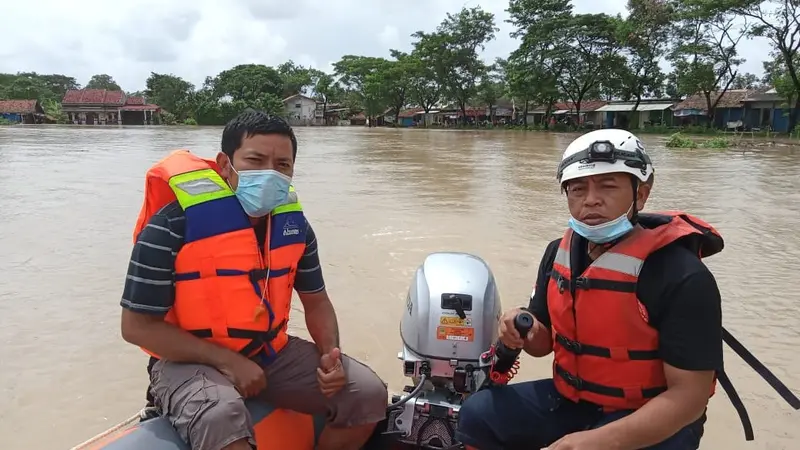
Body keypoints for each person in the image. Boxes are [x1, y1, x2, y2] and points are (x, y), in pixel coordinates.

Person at [455, 128, 799, 450]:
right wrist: (522, 327)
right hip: (573, 401)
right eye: (578, 189)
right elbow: (543, 346)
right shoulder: (557, 252)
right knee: (477, 415)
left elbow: (689, 399)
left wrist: (590, 443)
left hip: (656, 417)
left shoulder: (681, 275)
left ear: (642, 194)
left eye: (608, 186)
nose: (590, 200)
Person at [119, 112, 388, 450]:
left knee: (366, 393)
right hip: (186, 360)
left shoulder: (295, 229)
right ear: (224, 163)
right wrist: (228, 361)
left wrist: (329, 355)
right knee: (221, 416)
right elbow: (137, 327)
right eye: (255, 160)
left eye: (283, 165)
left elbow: (317, 302)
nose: (270, 174)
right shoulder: (172, 225)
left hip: (269, 352)